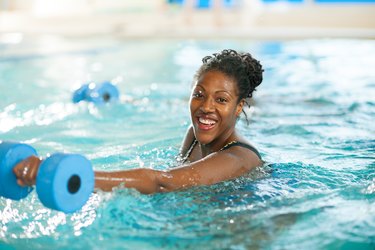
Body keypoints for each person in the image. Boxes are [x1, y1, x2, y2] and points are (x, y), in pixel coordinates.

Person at [13, 49, 264, 194]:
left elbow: (163, 181)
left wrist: (73, 176)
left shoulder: (237, 159)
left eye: (221, 100)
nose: (206, 107)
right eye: (199, 95)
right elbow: (174, 178)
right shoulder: (193, 136)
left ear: (239, 106)